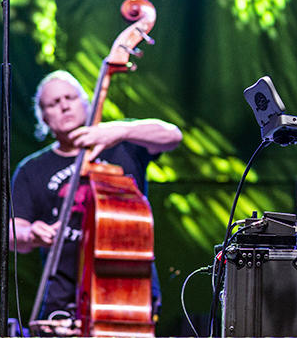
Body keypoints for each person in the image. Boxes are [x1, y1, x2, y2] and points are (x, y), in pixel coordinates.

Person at [10, 70, 183, 321]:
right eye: (53, 103)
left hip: (129, 288)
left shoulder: (122, 141)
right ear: (43, 117)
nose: (64, 106)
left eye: (70, 98)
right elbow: (13, 232)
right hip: (63, 296)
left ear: (86, 102)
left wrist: (119, 130)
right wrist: (30, 234)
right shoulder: (31, 169)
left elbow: (173, 136)